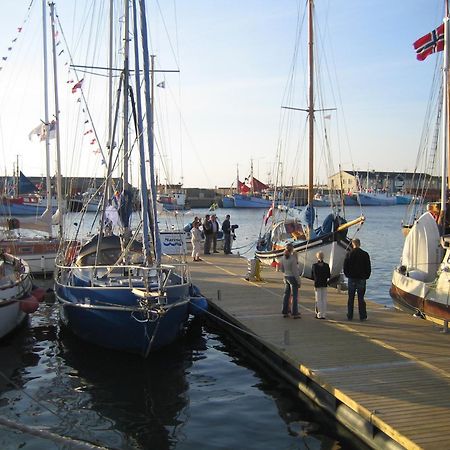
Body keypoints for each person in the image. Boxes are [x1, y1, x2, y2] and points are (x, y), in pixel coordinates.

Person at [343, 238, 371, 321]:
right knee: (361, 298)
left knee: (350, 298)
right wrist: (367, 276)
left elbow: (345, 266)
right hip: (362, 278)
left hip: (351, 278)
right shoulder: (365, 254)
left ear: (352, 244)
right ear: (360, 244)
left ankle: (350, 315)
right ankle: (362, 315)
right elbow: (368, 266)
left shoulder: (349, 254)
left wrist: (347, 275)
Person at [279, 243, 301, 319]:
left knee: (286, 295)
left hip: (286, 276)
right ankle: (295, 313)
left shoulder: (282, 258)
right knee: (294, 296)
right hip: (292, 277)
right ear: (292, 249)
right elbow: (295, 272)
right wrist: (299, 281)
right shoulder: (293, 259)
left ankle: (285, 311)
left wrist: (285, 273)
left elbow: (281, 269)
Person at [311, 251, 330, 319]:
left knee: (318, 299)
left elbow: (312, 276)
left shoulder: (314, 266)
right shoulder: (326, 265)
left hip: (317, 283)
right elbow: (328, 275)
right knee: (324, 299)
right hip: (324, 283)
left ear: (317, 257)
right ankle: (324, 314)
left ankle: (319, 314)